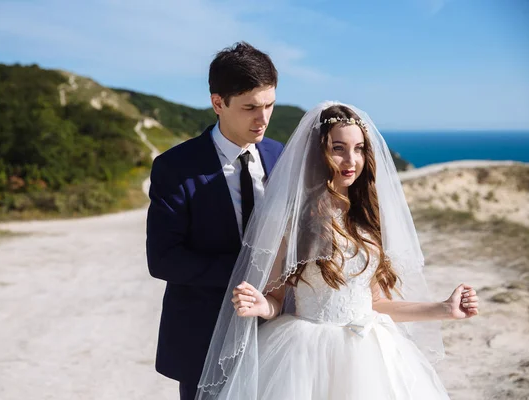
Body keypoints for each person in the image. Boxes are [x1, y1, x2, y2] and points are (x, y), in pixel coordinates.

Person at [196, 102, 480, 399]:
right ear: (318, 152)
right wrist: (260, 306)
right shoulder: (294, 220)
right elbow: (276, 300)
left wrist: (444, 309)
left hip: (371, 353)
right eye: (338, 148)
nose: (351, 160)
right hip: (305, 356)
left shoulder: (368, 218)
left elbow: (377, 303)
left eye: (359, 149)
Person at [146, 42, 284, 400]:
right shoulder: (174, 167)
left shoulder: (281, 154)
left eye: (269, 105)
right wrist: (246, 275)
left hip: (277, 330)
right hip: (204, 339)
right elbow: (163, 259)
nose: (263, 118)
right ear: (218, 103)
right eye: (250, 107)